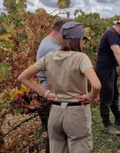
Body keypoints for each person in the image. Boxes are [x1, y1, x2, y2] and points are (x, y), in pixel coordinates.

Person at [18, 21, 101, 153]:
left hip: (55, 112)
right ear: (77, 39)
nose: (83, 43)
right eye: (83, 40)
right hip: (76, 113)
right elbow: (96, 85)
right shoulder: (81, 58)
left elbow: (22, 77)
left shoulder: (49, 57)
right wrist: (91, 96)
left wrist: (46, 94)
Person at [35, 17, 71, 153]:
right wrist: (59, 100)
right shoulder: (51, 48)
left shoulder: (49, 42)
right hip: (51, 96)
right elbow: (52, 79)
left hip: (49, 95)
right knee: (56, 137)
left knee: (54, 135)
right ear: (62, 30)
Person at [95, 17, 120, 135]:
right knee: (106, 98)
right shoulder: (111, 33)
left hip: (111, 69)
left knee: (114, 95)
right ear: (119, 26)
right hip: (104, 70)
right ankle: (106, 124)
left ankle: (118, 118)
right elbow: (117, 53)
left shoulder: (115, 35)